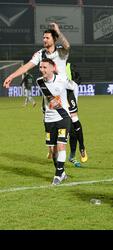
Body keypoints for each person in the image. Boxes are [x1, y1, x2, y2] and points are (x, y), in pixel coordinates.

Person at [2, 23, 88, 165]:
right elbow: (27, 66)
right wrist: (12, 76)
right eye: (43, 38)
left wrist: (58, 32)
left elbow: (67, 46)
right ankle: (52, 149)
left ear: (54, 39)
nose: (44, 40)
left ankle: (82, 148)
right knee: (48, 120)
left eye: (47, 38)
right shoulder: (40, 54)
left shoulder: (61, 51)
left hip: (65, 90)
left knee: (73, 120)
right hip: (48, 93)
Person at [4, 58, 75, 185]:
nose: (42, 70)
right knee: (53, 150)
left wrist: (73, 106)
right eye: (40, 67)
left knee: (61, 145)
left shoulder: (62, 80)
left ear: (53, 68)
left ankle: (58, 176)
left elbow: (73, 87)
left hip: (63, 117)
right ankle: (62, 172)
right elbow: (49, 99)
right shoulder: (39, 81)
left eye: (45, 67)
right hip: (49, 119)